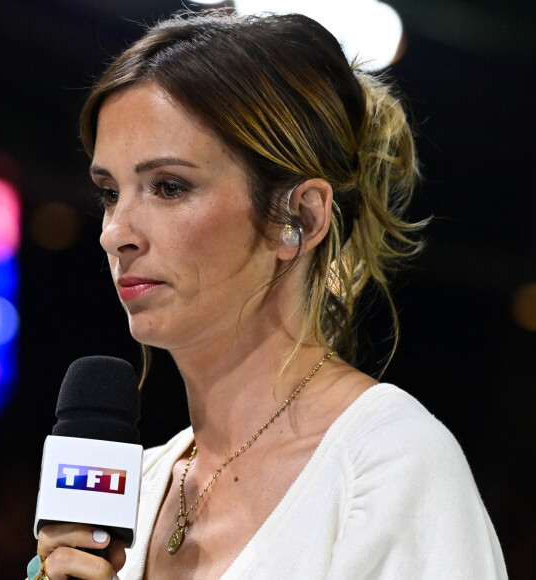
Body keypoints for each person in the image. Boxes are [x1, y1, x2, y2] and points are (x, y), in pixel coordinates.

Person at [29, 10, 507, 580]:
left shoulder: (387, 464)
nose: (115, 232)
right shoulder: (128, 498)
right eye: (110, 192)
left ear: (299, 217)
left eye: (169, 187)